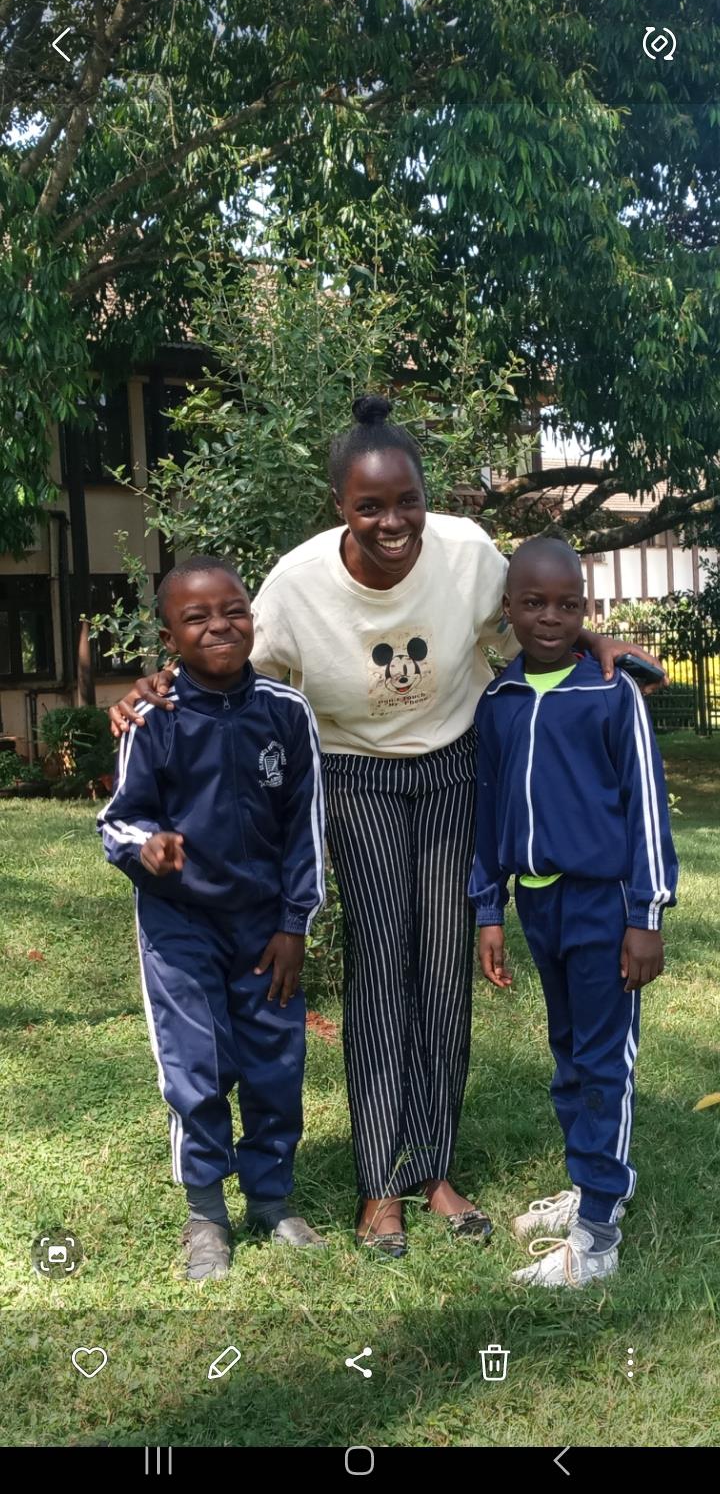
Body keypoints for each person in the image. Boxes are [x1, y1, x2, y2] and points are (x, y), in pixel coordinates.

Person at [109, 395, 664, 1260]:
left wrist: (599, 642)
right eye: (370, 506)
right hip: (358, 776)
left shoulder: (467, 554)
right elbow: (224, 663)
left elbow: (533, 618)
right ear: (340, 504)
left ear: (426, 496)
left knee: (442, 966)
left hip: (453, 765)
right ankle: (379, 1184)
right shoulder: (297, 586)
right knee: (380, 967)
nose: (393, 521)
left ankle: (433, 1169)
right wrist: (152, 685)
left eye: (408, 500)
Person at [98, 556, 326, 1280]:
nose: (219, 626)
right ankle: (206, 1216)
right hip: (180, 926)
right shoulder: (152, 715)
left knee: (275, 1064)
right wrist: (148, 845)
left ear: (253, 619)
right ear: (170, 638)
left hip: (265, 928)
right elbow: (117, 818)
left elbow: (305, 828)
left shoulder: (286, 712)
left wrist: (295, 924)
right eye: (196, 618)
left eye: (233, 611)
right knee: (195, 1068)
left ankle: (271, 1198)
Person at [470, 536, 678, 1287]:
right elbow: (488, 810)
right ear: (509, 609)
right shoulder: (498, 701)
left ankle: (597, 1237)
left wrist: (646, 916)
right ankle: (590, 1184)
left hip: (604, 904)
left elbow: (646, 807)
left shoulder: (611, 691)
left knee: (602, 1060)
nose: (551, 618)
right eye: (534, 603)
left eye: (567, 605)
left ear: (585, 610)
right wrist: (489, 908)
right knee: (568, 1053)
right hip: (539, 903)